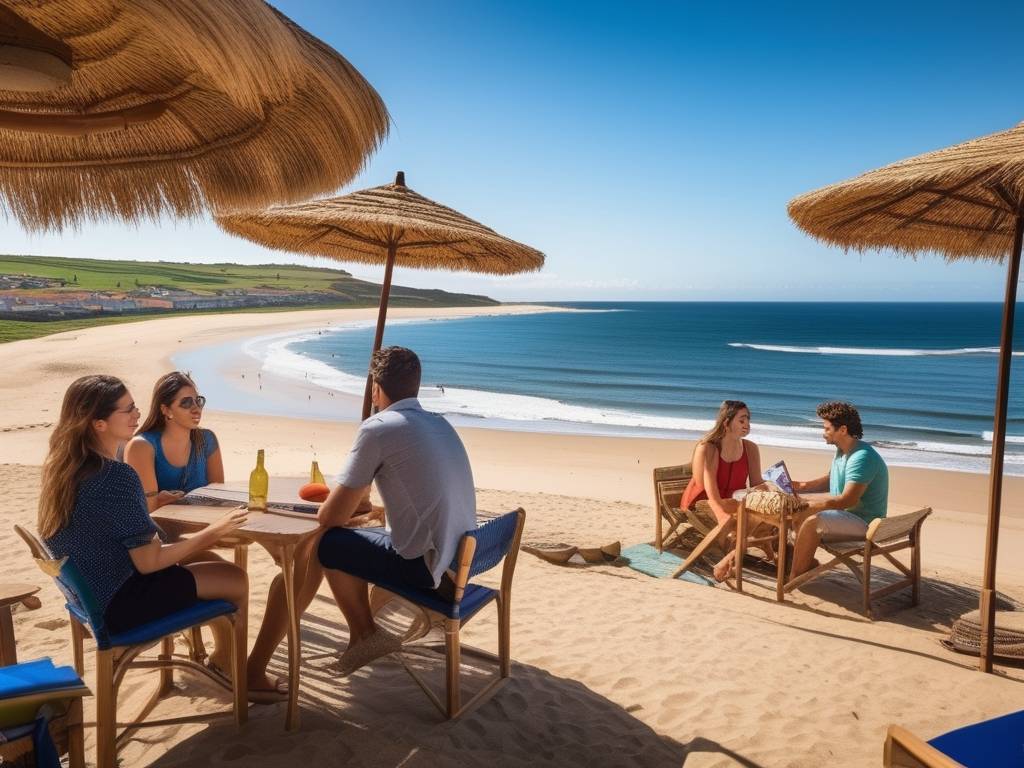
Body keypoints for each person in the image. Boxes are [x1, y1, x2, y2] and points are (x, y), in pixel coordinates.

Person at [124, 371, 325, 702]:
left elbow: (221, 494)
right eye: (185, 402)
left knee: (297, 552)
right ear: (165, 409)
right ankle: (228, 660)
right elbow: (144, 510)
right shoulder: (143, 446)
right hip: (166, 541)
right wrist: (160, 499)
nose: (195, 408)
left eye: (198, 400)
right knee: (231, 575)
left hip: (209, 529)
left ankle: (232, 658)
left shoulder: (206, 440)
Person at [39, 375, 248, 653]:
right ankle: (227, 662)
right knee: (235, 579)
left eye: (134, 406)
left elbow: (112, 528)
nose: (137, 413)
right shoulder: (115, 475)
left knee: (210, 565)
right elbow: (149, 562)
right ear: (99, 423)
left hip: (94, 599)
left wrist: (150, 507)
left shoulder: (66, 469)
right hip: (122, 604)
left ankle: (219, 656)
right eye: (127, 409)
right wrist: (214, 531)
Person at [316, 347, 476, 674]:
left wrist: (352, 508)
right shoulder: (440, 423)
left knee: (329, 544)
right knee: (357, 539)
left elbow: (329, 517)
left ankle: (366, 634)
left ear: (376, 388)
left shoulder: (377, 428)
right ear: (416, 385)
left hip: (429, 570)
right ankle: (366, 629)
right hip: (462, 562)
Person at [790, 401, 889, 578]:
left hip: (864, 524)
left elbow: (847, 500)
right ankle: (799, 564)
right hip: (845, 516)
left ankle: (795, 575)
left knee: (811, 520)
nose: (823, 434)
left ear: (842, 430)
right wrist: (801, 487)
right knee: (793, 514)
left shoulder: (861, 457)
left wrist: (807, 503)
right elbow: (832, 481)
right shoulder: (843, 451)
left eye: (827, 429)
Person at [680, 400, 765, 581]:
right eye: (742, 420)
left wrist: (774, 492)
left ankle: (731, 556)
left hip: (733, 501)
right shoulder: (708, 447)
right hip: (703, 501)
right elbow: (710, 491)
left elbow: (757, 483)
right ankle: (733, 558)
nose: (747, 425)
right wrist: (723, 518)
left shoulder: (750, 449)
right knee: (743, 519)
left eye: (748, 419)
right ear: (726, 422)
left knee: (762, 515)